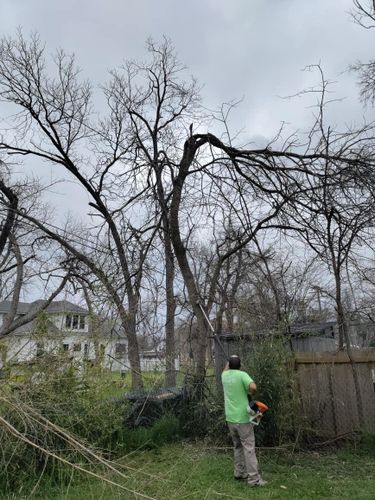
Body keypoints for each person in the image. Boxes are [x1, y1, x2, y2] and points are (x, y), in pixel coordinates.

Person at [221, 354, 266, 487]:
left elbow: (225, 370)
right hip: (243, 418)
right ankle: (254, 480)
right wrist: (251, 394)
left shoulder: (224, 376)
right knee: (249, 448)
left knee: (237, 446)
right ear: (240, 365)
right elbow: (253, 387)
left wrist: (228, 361)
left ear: (228, 364)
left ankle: (239, 472)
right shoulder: (242, 375)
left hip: (230, 418)